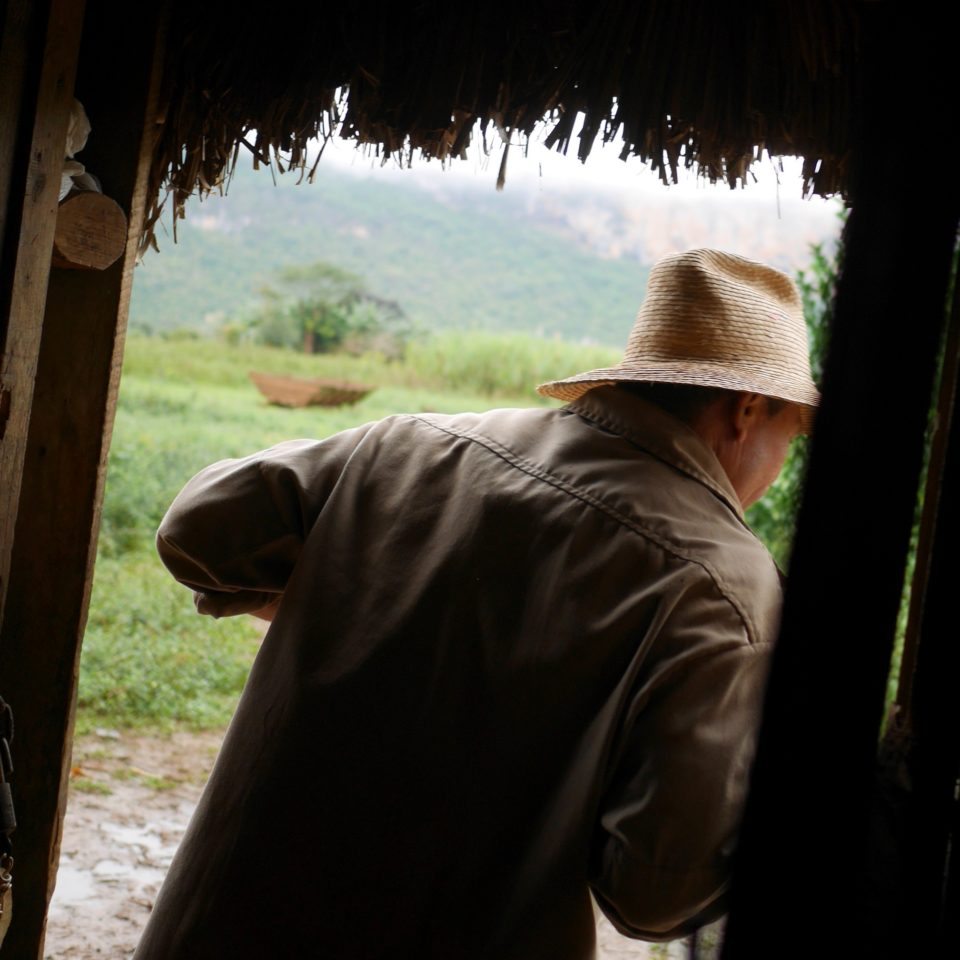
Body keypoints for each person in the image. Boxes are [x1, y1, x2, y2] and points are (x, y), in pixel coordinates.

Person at [133, 248, 819, 960]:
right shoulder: (726, 590)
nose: (777, 467)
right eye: (789, 437)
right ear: (746, 409)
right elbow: (656, 893)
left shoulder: (411, 445)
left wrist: (353, 593)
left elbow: (196, 530)